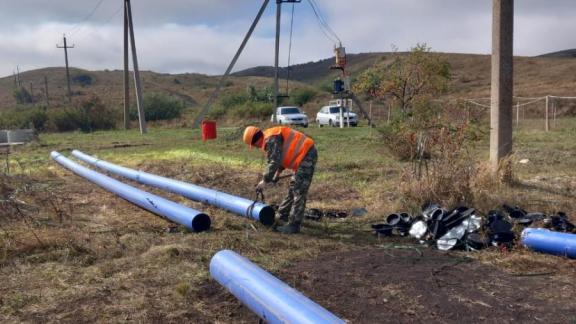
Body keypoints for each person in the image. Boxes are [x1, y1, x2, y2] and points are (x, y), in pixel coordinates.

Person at [243, 125, 318, 234]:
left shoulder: (271, 139)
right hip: (302, 156)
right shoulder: (270, 137)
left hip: (306, 155)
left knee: (299, 191)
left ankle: (294, 225)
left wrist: (265, 180)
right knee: (293, 188)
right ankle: (283, 215)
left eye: (254, 145)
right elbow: (281, 156)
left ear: (256, 141)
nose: (256, 147)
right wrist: (277, 173)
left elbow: (274, 161)